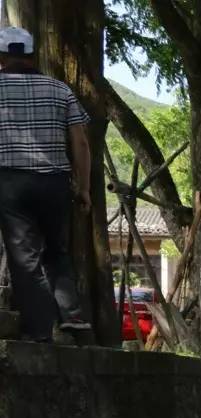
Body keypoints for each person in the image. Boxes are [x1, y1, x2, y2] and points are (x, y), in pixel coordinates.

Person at [0, 26, 92, 342]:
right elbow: (80, 143)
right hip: (54, 182)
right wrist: (84, 188)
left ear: (1, 57)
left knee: (25, 258)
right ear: (31, 55)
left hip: (9, 181)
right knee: (57, 250)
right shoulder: (60, 89)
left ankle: (38, 330)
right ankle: (72, 316)